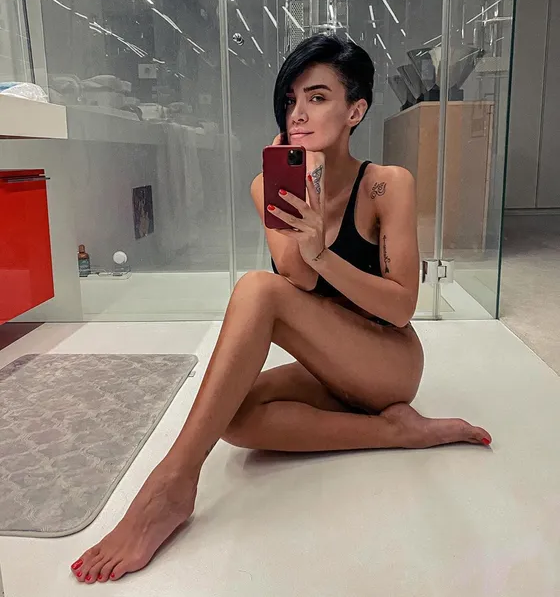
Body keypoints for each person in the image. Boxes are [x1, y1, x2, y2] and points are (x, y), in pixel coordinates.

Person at [70, 34, 491, 584]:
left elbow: (401, 307)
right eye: (291, 100)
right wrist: (297, 197)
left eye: (317, 97)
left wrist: (323, 252)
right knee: (235, 418)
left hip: (389, 362)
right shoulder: (268, 185)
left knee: (256, 289)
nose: (298, 113)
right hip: (328, 365)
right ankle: (395, 433)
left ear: (355, 110)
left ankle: (171, 483)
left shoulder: (386, 186)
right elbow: (298, 278)